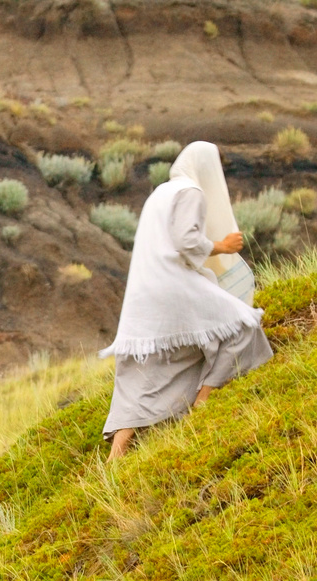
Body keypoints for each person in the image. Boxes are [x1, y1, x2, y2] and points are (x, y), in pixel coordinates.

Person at [99, 140, 273, 460]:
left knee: (144, 365)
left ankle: (117, 454)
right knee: (241, 324)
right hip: (174, 285)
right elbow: (186, 241)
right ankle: (202, 403)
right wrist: (222, 246)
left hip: (143, 292)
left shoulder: (160, 193)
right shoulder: (191, 191)